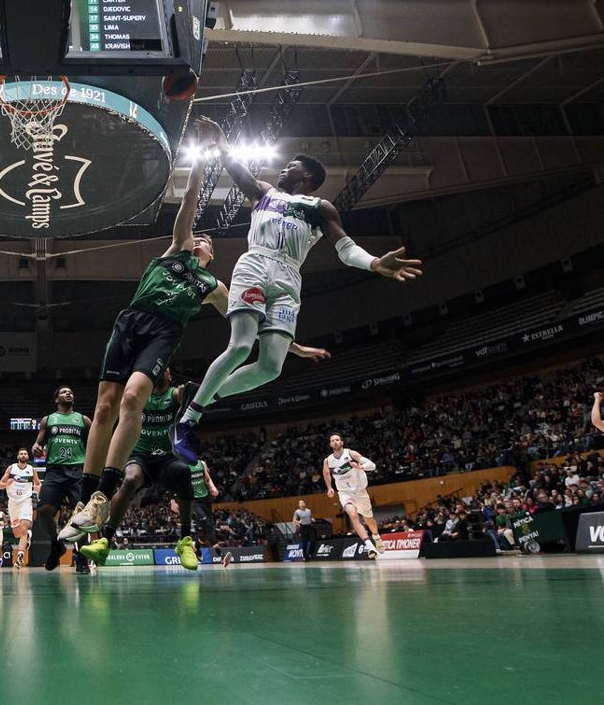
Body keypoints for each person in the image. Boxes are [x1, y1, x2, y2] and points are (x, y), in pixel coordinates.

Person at [172, 146, 421, 461]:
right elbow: (236, 168)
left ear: (305, 177)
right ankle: (187, 421)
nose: (282, 169)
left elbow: (346, 249)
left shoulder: (321, 208)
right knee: (240, 347)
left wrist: (373, 263)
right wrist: (220, 143)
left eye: (289, 165)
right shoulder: (263, 192)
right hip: (256, 265)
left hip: (289, 279)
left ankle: (202, 394)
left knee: (270, 368)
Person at [56, 118, 230, 543]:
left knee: (133, 397)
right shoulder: (175, 250)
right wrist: (202, 156)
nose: (201, 239)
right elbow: (190, 199)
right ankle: (84, 501)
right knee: (103, 408)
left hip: (164, 333)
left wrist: (291, 345)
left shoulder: (212, 287)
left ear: (212, 253)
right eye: (198, 236)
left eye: (207, 241)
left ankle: (102, 494)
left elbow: (246, 322)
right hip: (132, 320)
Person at [79, 368, 199, 569]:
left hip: (166, 458)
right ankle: (105, 541)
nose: (162, 372)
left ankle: (185, 541)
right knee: (130, 479)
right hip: (140, 456)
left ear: (169, 375)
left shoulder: (173, 395)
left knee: (184, 471)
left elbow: (186, 392)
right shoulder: (141, 395)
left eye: (166, 370)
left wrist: (189, 390)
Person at [31, 386, 91, 570]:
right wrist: (35, 446)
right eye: (64, 392)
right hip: (55, 471)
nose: (69, 393)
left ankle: (81, 556)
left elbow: (95, 444)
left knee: (81, 516)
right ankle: (56, 545)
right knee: (43, 510)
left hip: (77, 471)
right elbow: (38, 442)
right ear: (56, 399)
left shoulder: (84, 420)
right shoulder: (48, 420)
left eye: (71, 392)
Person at [322, 434, 381, 559]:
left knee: (369, 520)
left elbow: (372, 465)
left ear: (342, 442)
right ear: (330, 444)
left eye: (337, 440)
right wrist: (330, 487)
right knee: (353, 515)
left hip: (360, 492)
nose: (335, 442)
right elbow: (326, 473)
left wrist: (360, 467)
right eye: (332, 440)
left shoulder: (351, 454)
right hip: (344, 492)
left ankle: (376, 537)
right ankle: (369, 545)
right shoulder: (328, 460)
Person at [0, 448, 40, 568]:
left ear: (27, 456)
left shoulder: (32, 470)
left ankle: (20, 556)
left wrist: (36, 490)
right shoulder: (11, 468)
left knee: (24, 529)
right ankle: (27, 536)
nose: (23, 455)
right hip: (13, 503)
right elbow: (0, 485)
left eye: (25, 454)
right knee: (17, 534)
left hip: (25, 501)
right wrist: (7, 484)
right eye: (21, 453)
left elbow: (38, 484)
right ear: (18, 456)